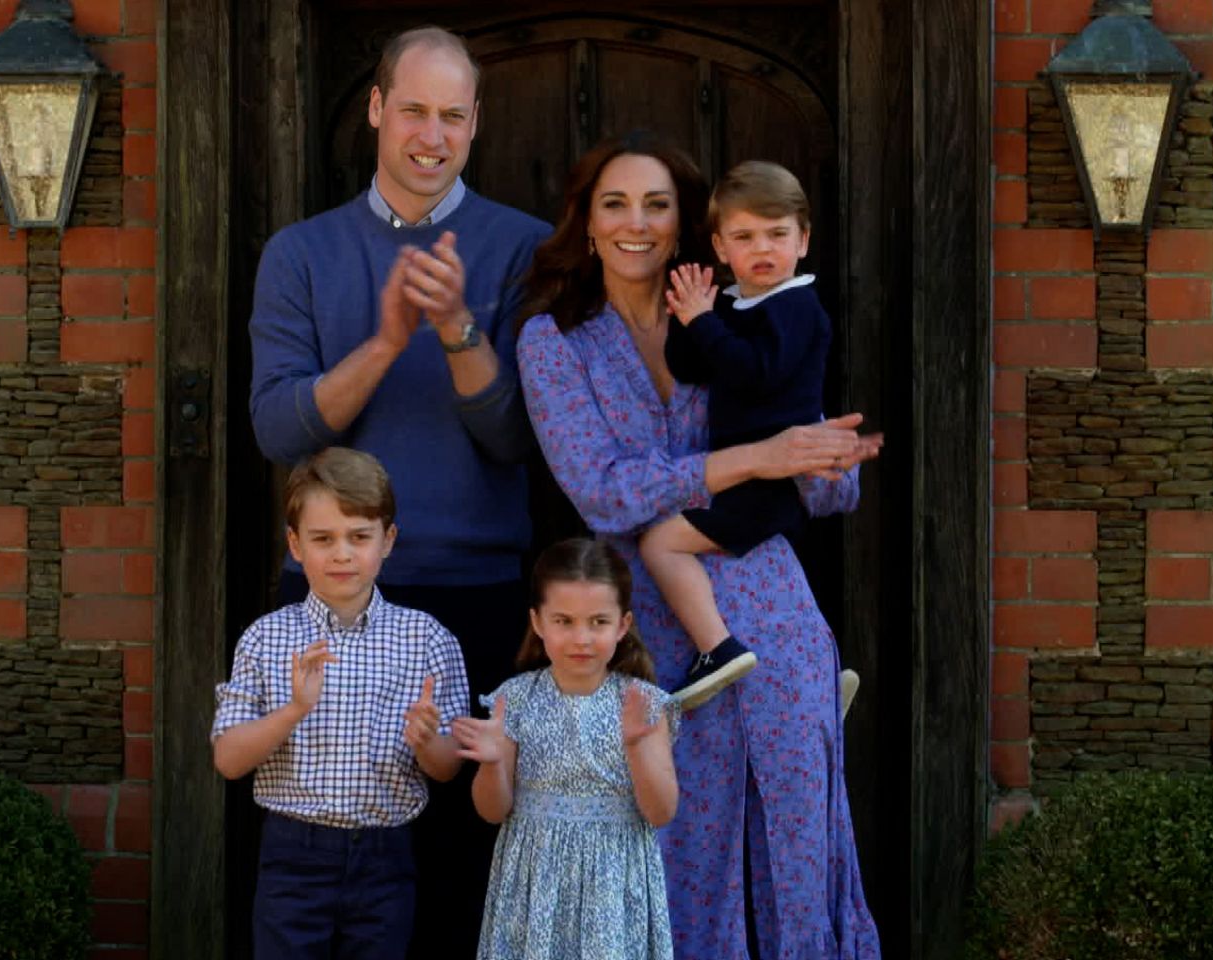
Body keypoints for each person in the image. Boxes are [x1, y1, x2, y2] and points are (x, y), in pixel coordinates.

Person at [517, 131, 883, 959]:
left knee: (796, 844)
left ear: (686, 227)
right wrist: (756, 458)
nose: (636, 223)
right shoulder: (554, 341)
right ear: (588, 221)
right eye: (615, 204)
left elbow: (826, 488)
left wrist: (827, 461)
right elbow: (601, 490)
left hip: (774, 615)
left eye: (656, 205)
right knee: (670, 846)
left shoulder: (745, 315)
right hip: (647, 631)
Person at [246, 26, 550, 956]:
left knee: (464, 864)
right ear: (376, 108)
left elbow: (515, 440)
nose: (432, 134)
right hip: (335, 600)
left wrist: (457, 326)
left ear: (475, 124)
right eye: (413, 109)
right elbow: (280, 431)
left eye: (452, 115)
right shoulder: (300, 253)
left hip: (482, 596)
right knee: (338, 864)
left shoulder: (524, 248)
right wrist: (383, 341)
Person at [210, 448, 469, 959]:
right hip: (292, 853)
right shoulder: (267, 638)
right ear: (295, 545)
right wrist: (293, 711)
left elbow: (447, 771)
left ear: (387, 541)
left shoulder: (427, 640)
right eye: (323, 539)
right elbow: (228, 759)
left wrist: (426, 743)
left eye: (359, 537)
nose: (342, 554)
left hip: (384, 855)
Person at [642, 160, 871, 709]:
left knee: (661, 542)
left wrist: (704, 321)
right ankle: (814, 682)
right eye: (744, 237)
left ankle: (716, 649)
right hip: (747, 472)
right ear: (721, 248)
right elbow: (691, 366)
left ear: (804, 239)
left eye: (777, 234)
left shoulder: (797, 308)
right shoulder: (734, 304)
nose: (762, 249)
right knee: (773, 590)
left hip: (771, 479)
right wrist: (688, 314)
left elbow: (754, 371)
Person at [452, 538, 680, 960]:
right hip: (534, 882)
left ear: (623, 624)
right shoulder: (514, 700)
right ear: (538, 622)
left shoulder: (644, 703)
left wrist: (636, 747)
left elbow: (661, 811)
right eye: (564, 621)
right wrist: (491, 764)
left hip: (613, 882)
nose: (582, 638)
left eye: (598, 622)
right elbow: (493, 810)